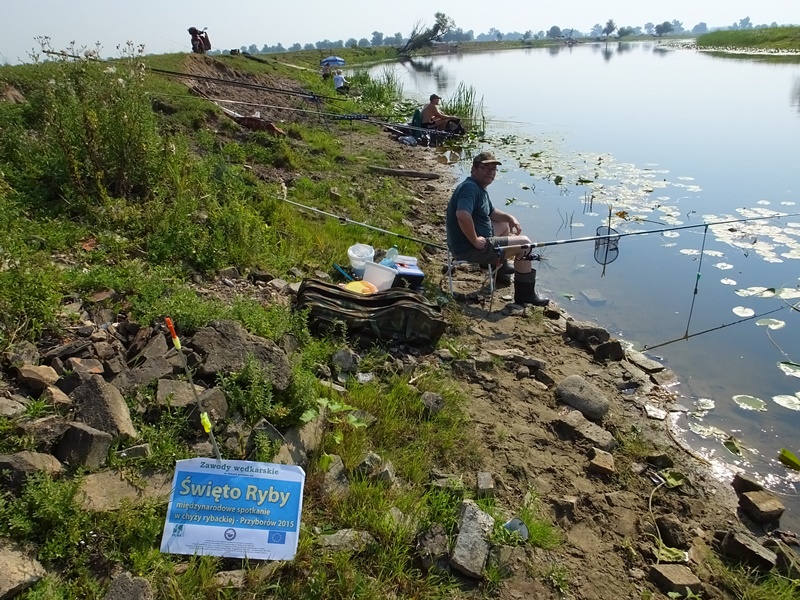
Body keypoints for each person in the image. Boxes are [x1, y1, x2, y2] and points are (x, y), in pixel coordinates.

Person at [445, 151, 549, 306]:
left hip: (468, 242)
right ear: (474, 169)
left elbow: (491, 212)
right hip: (469, 248)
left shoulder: (478, 187)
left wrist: (510, 218)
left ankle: (500, 270)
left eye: (493, 169)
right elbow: (462, 215)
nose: (491, 172)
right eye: (485, 168)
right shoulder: (470, 189)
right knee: (525, 244)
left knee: (503, 224)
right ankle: (525, 295)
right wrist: (475, 240)